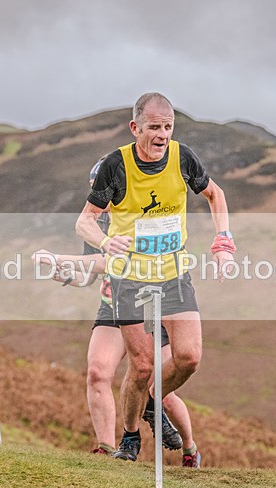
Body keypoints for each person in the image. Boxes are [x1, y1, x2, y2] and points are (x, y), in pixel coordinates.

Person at [76, 93, 235, 462]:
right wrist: (105, 241)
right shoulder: (116, 165)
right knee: (143, 365)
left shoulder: (183, 157)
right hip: (130, 278)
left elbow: (215, 194)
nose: (162, 135)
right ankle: (129, 438)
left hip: (173, 274)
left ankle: (150, 400)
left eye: (168, 127)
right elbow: (84, 220)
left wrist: (223, 240)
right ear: (136, 128)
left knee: (189, 356)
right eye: (154, 127)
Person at [33, 158, 201, 467]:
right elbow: (90, 273)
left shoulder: (142, 218)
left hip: (150, 308)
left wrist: (57, 258)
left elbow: (105, 263)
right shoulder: (95, 224)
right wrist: (67, 275)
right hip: (113, 307)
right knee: (98, 372)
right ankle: (107, 451)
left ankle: (190, 449)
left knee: (156, 386)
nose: (104, 197)